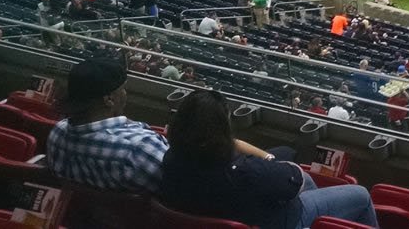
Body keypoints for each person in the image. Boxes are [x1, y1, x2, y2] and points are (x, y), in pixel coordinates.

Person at [157, 89, 380, 229]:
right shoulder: (244, 172)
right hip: (278, 220)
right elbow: (294, 177)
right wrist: (267, 158)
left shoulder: (172, 158)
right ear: (222, 131)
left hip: (220, 213)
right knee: (360, 194)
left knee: (305, 178)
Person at [46, 58, 169, 193]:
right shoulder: (140, 148)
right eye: (123, 89)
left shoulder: (57, 132)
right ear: (109, 99)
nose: (125, 94)